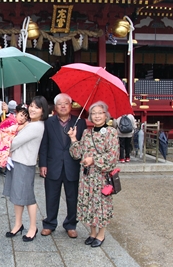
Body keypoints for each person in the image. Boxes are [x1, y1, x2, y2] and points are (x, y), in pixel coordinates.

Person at [68, 101, 119, 248]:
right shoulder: (87, 132)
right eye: (94, 113)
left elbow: (113, 156)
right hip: (87, 177)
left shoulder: (111, 132)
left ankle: (101, 234)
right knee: (89, 204)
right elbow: (77, 154)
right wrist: (73, 138)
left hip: (102, 177)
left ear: (106, 115)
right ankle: (92, 232)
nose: (96, 116)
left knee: (101, 205)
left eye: (100, 113)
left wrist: (94, 160)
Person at [39, 93, 87, 239]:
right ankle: (49, 224)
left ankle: (71, 225)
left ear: (71, 105)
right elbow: (44, 144)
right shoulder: (48, 122)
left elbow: (84, 145)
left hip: (72, 165)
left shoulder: (80, 122)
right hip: (53, 164)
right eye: (60, 104)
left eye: (66, 103)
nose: (63, 106)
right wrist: (43, 164)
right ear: (55, 106)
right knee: (51, 196)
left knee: (73, 198)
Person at [4, 96, 48, 242]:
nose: (32, 109)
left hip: (24, 164)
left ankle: (32, 228)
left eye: (37, 107)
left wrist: (4, 141)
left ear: (43, 111)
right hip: (16, 162)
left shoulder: (36, 126)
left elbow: (15, 142)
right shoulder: (30, 123)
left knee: (28, 198)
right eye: (31, 106)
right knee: (17, 195)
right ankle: (18, 224)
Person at [0, 104, 29, 169]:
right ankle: (4, 161)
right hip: (3, 138)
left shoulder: (15, 121)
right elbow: (13, 129)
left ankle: (6, 160)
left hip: (6, 139)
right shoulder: (11, 120)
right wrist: (24, 125)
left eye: (25, 118)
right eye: (21, 115)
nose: (22, 118)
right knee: (4, 149)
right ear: (17, 113)